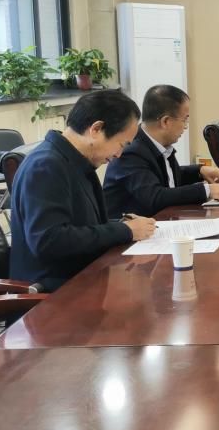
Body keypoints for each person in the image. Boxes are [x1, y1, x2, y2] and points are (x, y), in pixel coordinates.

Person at [10, 89, 155, 292]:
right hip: (52, 292)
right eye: (121, 144)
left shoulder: (77, 161)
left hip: (83, 275)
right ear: (96, 129)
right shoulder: (45, 166)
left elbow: (79, 224)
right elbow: (49, 240)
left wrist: (122, 224)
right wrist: (125, 231)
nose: (119, 154)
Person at [105, 84, 219, 217]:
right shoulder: (131, 152)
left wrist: (200, 171)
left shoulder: (156, 144)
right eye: (184, 120)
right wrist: (207, 190)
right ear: (166, 122)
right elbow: (155, 196)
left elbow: (166, 176)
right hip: (131, 229)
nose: (185, 127)